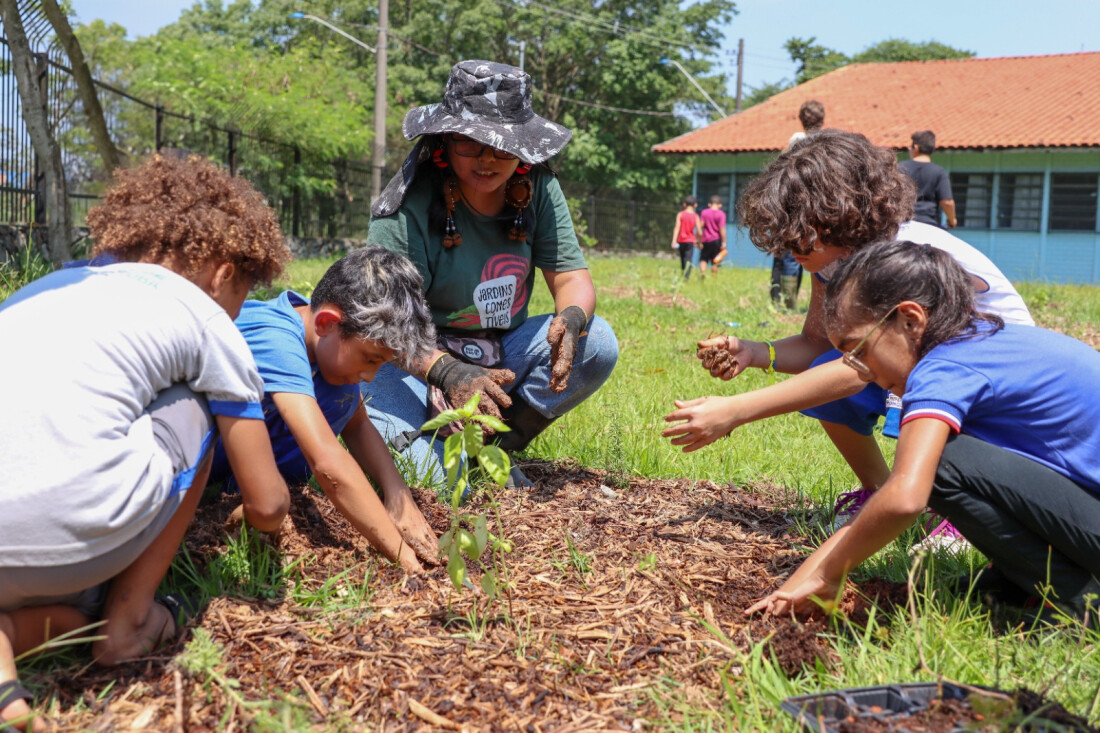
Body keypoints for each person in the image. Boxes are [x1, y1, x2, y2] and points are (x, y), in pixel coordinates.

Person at [0, 154, 292, 730]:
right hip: (76, 534)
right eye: (243, 296)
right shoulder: (205, 318)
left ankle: (9, 643)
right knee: (208, 402)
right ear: (224, 272)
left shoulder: (44, 288)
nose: (237, 314)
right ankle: (128, 624)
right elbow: (267, 504)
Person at [662, 130, 1033, 546]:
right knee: (825, 376)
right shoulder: (829, 261)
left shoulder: (901, 257)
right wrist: (754, 352)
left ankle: (960, 508)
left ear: (840, 216)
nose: (788, 248)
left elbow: (860, 369)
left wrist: (736, 410)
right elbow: (822, 346)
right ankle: (881, 493)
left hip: (993, 383)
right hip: (930, 371)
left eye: (799, 234)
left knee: (840, 380)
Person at [747, 241, 1100, 622]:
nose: (860, 371)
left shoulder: (943, 368)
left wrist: (820, 574)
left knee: (941, 464)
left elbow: (904, 495)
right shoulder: (980, 339)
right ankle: (1021, 585)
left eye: (859, 351)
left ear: (911, 320)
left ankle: (1082, 605)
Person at [365, 60, 619, 488]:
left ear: (523, 148)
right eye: (472, 144)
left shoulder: (539, 189)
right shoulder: (408, 203)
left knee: (598, 344)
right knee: (430, 480)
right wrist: (448, 373)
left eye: (503, 147)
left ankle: (489, 447)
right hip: (405, 355)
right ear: (446, 140)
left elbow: (571, 277)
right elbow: (387, 323)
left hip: (497, 350)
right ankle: (445, 447)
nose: (487, 160)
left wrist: (572, 319)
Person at [208, 247, 439, 572]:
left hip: (237, 467)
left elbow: (357, 425)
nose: (370, 376)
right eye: (370, 359)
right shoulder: (275, 337)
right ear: (328, 322)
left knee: (339, 397)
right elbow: (328, 462)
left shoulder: (328, 347)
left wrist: (399, 498)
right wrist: (404, 557)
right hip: (188, 471)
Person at [773, 101, 824, 308]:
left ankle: (789, 303)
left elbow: (783, 170)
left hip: (796, 204)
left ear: (801, 119)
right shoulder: (827, 140)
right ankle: (818, 305)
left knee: (792, 254)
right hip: (820, 205)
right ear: (822, 119)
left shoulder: (796, 140)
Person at [899, 130, 957, 229]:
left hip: (903, 222)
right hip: (929, 224)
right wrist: (952, 220)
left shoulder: (900, 168)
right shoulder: (939, 172)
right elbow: (947, 202)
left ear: (916, 148)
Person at [671, 195, 701, 279]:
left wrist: (674, 241)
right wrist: (697, 239)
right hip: (690, 240)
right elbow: (699, 231)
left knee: (682, 258)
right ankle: (686, 277)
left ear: (684, 204)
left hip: (681, 240)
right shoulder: (696, 216)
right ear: (695, 205)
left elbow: (677, 228)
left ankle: (684, 274)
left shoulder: (680, 214)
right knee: (688, 259)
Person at [698, 195, 727, 277]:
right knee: (715, 260)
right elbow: (722, 229)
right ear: (720, 205)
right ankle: (714, 276)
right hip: (716, 240)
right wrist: (724, 241)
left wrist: (699, 240)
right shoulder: (721, 214)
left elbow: (700, 227)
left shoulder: (704, 212)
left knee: (703, 258)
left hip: (706, 240)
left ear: (709, 204)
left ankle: (703, 273)